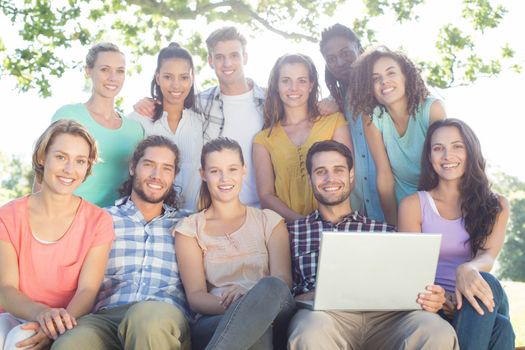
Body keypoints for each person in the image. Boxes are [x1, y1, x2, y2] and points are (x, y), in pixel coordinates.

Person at [287, 140, 458, 350]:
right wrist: (316, 294)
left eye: (338, 170)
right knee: (310, 331)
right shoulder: (292, 233)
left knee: (435, 330)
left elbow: (412, 283)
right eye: (321, 171)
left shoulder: (387, 232)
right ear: (311, 180)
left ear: (351, 176)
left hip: (387, 319)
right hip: (323, 317)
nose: (330, 178)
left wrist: (433, 297)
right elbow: (281, 293)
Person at [52, 136, 192, 350]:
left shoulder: (188, 223)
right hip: (106, 318)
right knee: (70, 344)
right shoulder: (101, 219)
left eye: (166, 169)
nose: (157, 175)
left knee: (146, 319)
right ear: (133, 167)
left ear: (174, 176)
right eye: (149, 165)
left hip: (163, 316)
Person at [398, 118, 515, 349]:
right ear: (430, 157)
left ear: (470, 152)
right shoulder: (413, 205)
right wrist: (443, 298)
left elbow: (488, 257)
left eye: (457, 146)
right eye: (438, 148)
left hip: (478, 294)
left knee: (486, 281)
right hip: (433, 304)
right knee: (501, 327)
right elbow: (411, 268)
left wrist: (467, 268)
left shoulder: (497, 204)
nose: (447, 155)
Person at [0, 120, 114, 349]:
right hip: (16, 312)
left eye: (80, 161)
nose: (70, 170)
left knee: (20, 342)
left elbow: (87, 290)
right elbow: (6, 289)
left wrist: (54, 325)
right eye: (61, 157)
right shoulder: (9, 216)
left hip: (69, 319)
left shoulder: (98, 221)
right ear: (43, 157)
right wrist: (42, 314)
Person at [175, 137, 295, 350]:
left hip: (274, 310)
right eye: (215, 171)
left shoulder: (269, 220)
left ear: (243, 170)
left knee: (271, 286)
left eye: (232, 169)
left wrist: (251, 299)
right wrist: (244, 307)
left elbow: (283, 281)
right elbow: (196, 298)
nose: (224, 178)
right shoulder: (190, 228)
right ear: (203, 174)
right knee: (257, 331)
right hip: (215, 318)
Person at [134, 26, 264, 207]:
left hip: (263, 208)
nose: (227, 63)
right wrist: (145, 103)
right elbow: (174, 97)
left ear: (245, 57)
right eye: (219, 57)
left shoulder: (270, 102)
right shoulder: (202, 103)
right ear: (210, 61)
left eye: (234, 55)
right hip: (216, 210)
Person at [348, 45, 447, 225]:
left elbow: (443, 168)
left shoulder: (432, 109)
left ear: (406, 77)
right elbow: (384, 176)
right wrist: (394, 226)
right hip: (403, 207)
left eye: (391, 73)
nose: (384, 81)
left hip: (437, 200)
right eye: (375, 78)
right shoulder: (372, 118)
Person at [253, 54, 352, 222]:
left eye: (301, 81)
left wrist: (327, 222)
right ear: (276, 85)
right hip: (287, 230)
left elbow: (348, 176)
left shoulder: (335, 122)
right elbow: (266, 195)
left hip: (336, 224)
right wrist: (303, 224)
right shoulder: (263, 140)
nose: (293, 88)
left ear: (311, 85)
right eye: (285, 81)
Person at [50, 42, 144, 207]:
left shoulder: (135, 130)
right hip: (68, 218)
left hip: (115, 224)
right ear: (88, 71)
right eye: (104, 69)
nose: (112, 78)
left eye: (120, 71)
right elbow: (44, 171)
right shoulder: (68, 116)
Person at [127, 42, 204, 212]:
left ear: (192, 79)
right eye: (168, 77)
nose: (176, 85)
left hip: (191, 220)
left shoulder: (201, 121)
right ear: (157, 78)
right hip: (147, 220)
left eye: (184, 77)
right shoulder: (140, 119)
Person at [319, 23, 384, 222]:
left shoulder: (385, 90)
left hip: (395, 200)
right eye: (331, 59)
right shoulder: (336, 103)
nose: (339, 62)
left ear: (359, 48)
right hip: (358, 209)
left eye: (345, 53)